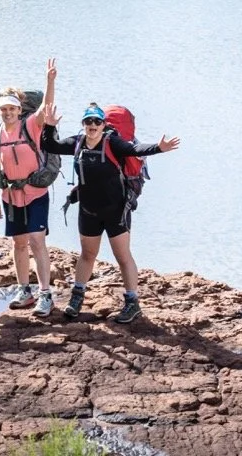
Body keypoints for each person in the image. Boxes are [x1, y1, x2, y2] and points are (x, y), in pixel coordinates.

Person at [43, 100, 179, 324]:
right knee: (87, 255)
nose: (92, 125)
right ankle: (77, 298)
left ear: (103, 124)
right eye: (88, 121)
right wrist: (48, 126)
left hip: (115, 211)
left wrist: (159, 147)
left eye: (97, 121)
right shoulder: (77, 143)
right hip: (88, 211)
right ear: (83, 124)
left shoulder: (112, 143)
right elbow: (50, 146)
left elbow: (135, 149)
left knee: (122, 257)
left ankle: (132, 303)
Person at [0, 59, 57, 317]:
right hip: (10, 196)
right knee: (18, 244)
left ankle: (45, 295)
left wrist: (50, 81)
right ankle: (23, 290)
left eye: (11, 109)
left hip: (36, 193)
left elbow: (45, 108)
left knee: (37, 241)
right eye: (3, 109)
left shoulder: (30, 126)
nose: (7, 113)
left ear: (19, 111)